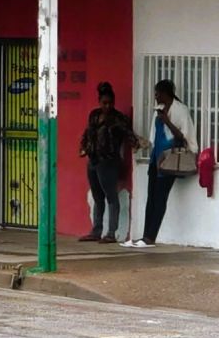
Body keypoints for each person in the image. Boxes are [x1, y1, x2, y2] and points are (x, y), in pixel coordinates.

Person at [123, 79, 196, 248]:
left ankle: (151, 237)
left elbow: (183, 137)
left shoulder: (180, 110)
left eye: (157, 94)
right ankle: (144, 236)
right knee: (151, 197)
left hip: (170, 160)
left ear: (166, 94)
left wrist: (167, 122)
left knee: (160, 198)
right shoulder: (158, 111)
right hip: (157, 159)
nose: (155, 97)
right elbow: (153, 135)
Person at [78, 81, 133, 243]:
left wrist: (137, 143)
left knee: (111, 196)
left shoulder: (118, 119)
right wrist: (83, 148)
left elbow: (129, 134)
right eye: (104, 103)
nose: (107, 106)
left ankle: (111, 232)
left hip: (109, 161)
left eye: (110, 103)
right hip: (93, 159)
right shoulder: (94, 115)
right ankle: (96, 230)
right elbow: (88, 133)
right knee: (97, 197)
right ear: (99, 102)